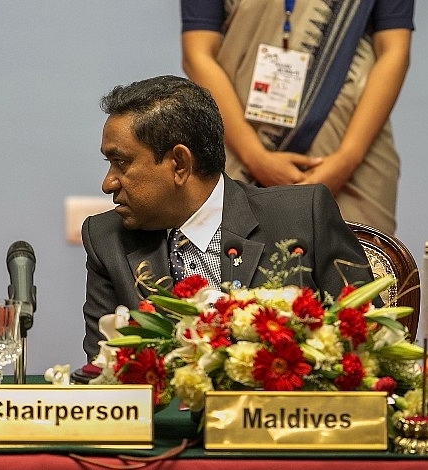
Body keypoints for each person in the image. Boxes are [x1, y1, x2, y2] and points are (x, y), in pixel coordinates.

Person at [81, 75, 374, 361]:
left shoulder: (301, 216)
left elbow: (367, 341)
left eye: (121, 163)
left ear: (180, 164)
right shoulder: (107, 240)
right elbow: (104, 374)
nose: (108, 183)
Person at [180, 0, 413, 235]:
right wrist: (255, 157)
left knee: (359, 266)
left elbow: (394, 51)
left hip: (353, 157)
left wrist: (347, 160)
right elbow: (197, 54)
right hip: (238, 149)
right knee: (237, 263)